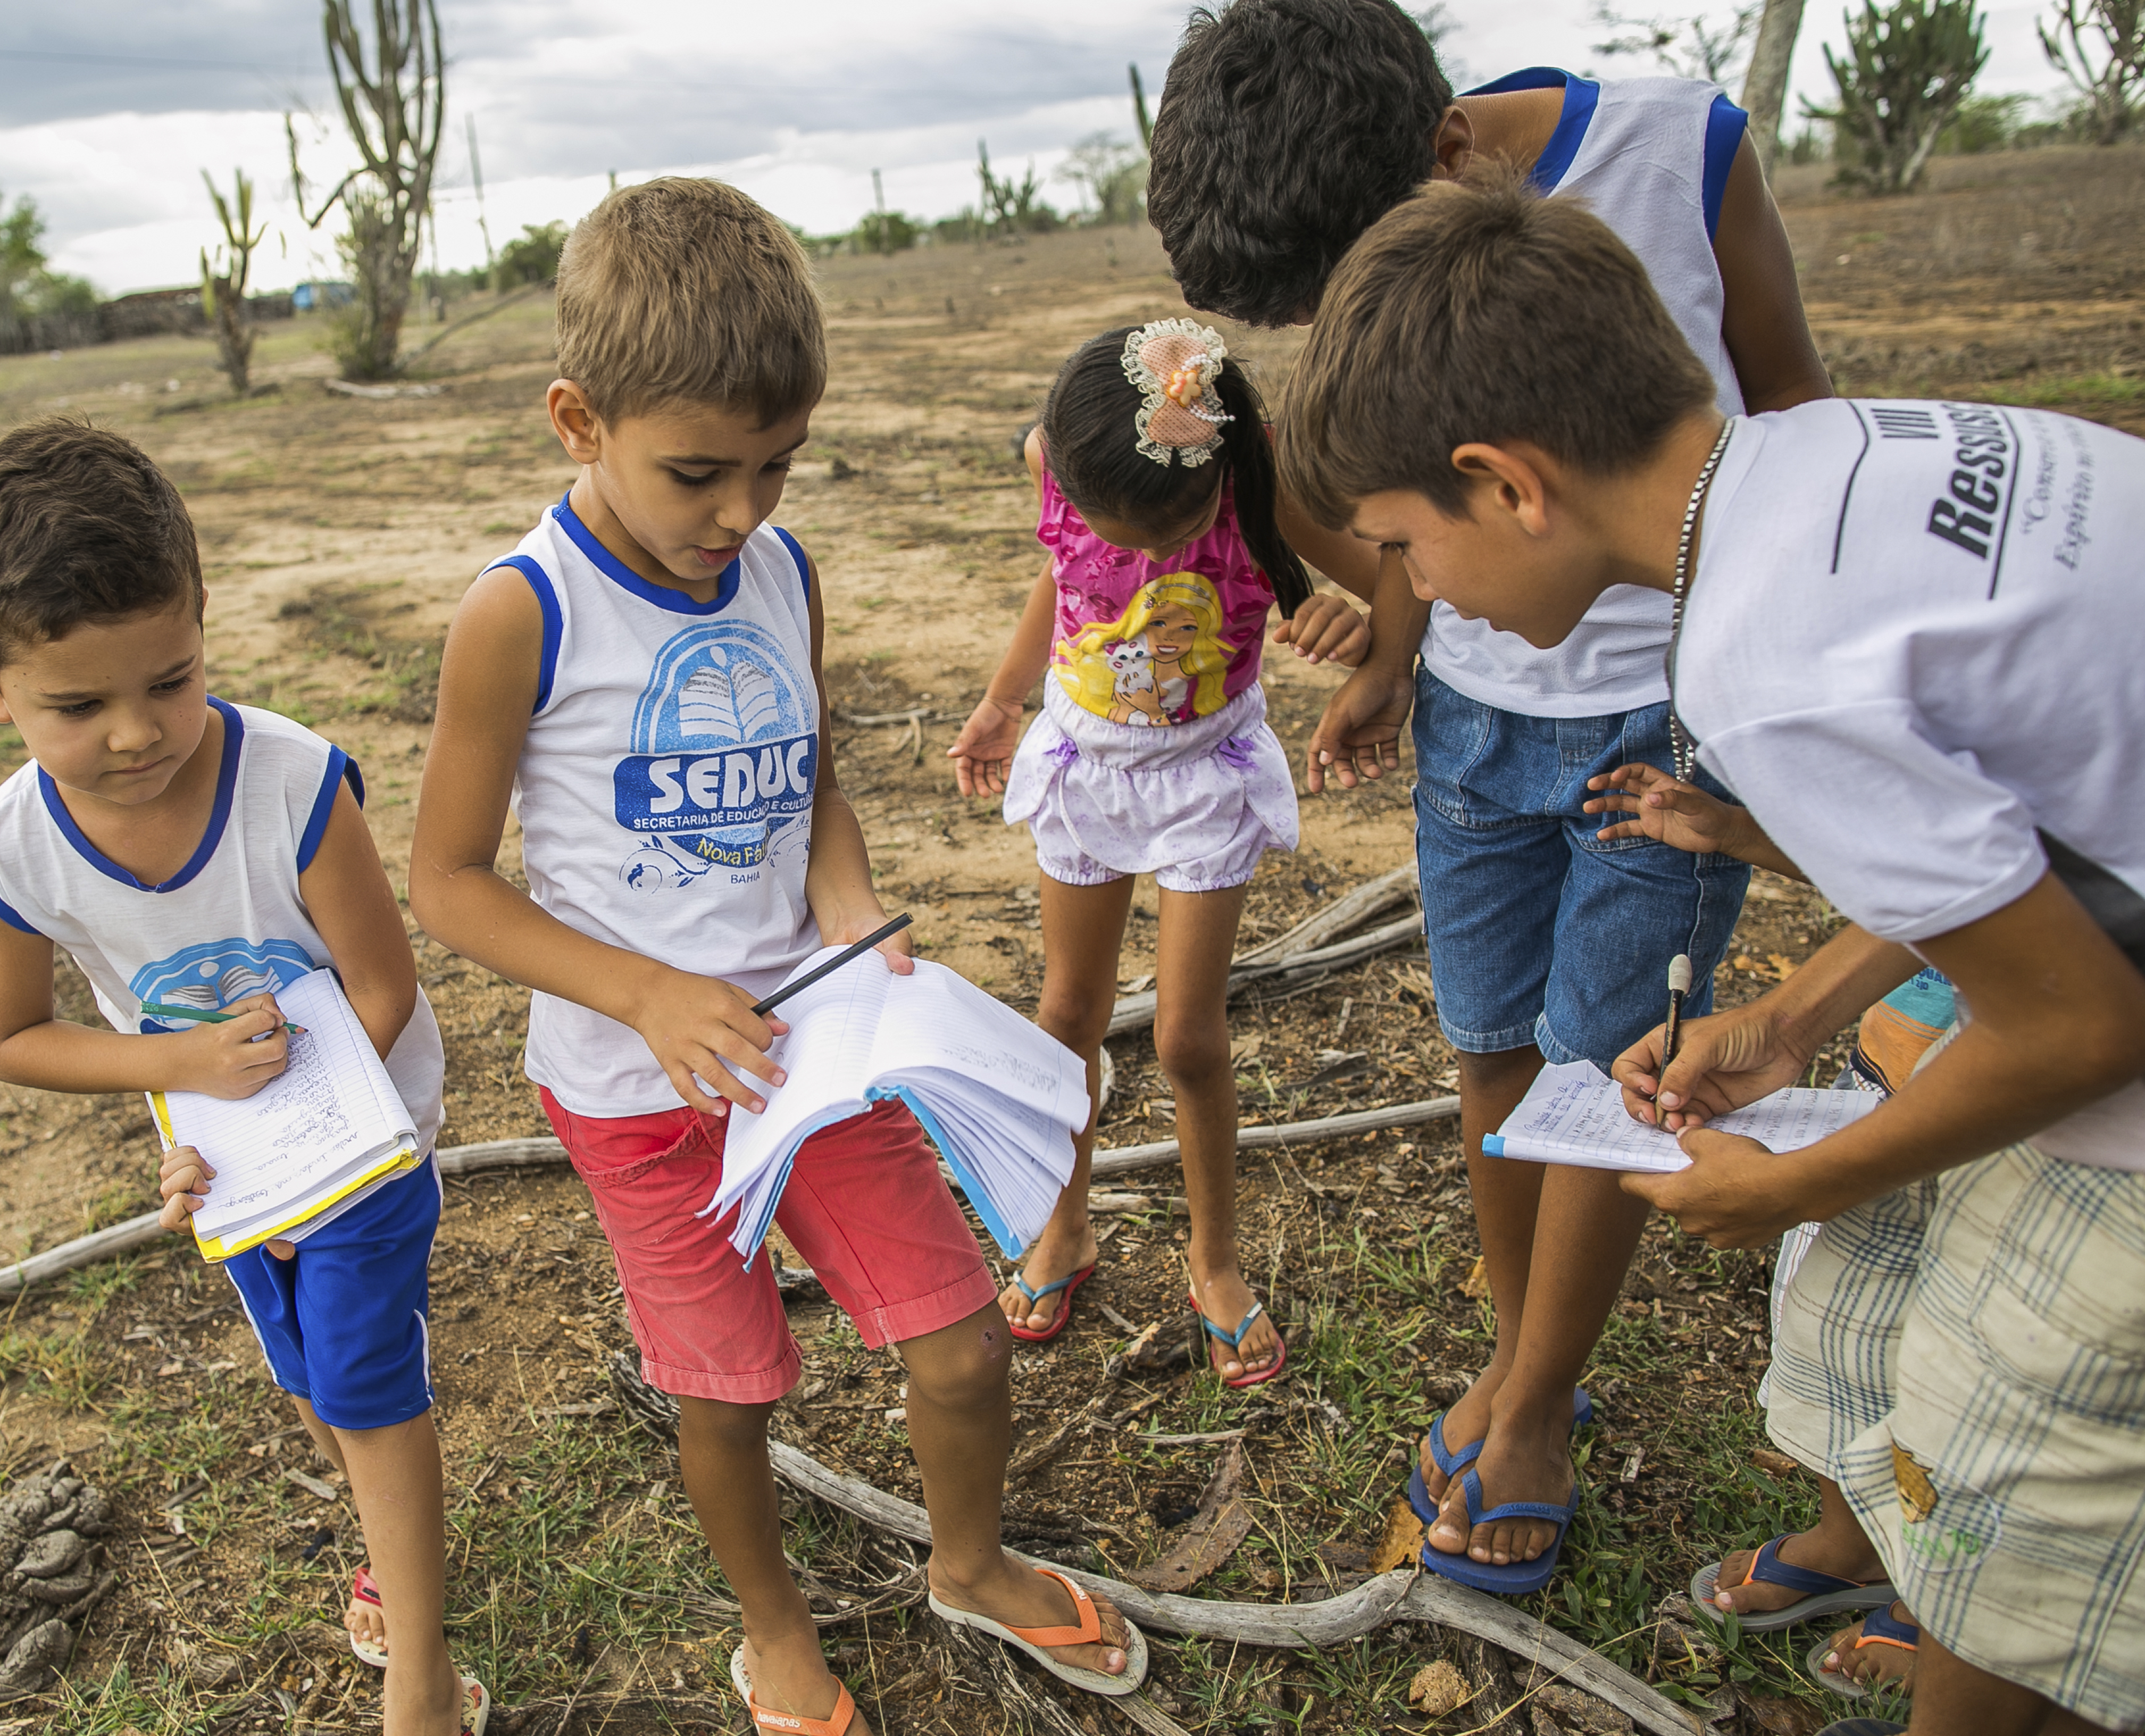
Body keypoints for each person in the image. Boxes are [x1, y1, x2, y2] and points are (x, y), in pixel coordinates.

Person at [1278, 168, 2145, 1736]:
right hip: (2105, 929)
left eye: (1408, 543)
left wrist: (1800, 1180)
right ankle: (1888, 1552)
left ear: (1506, 484)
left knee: (2020, 1470)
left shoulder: (1760, 658)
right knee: (1896, 1311)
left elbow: (2086, 1028)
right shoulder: (1829, 455)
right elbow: (2024, 814)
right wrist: (1804, 1011)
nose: (1429, 589)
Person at [406, 178, 1147, 1736]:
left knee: (954, 1340)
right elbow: (451, 886)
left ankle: (969, 1558)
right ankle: (773, 1624)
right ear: (575, 419)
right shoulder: (520, 614)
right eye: (698, 473)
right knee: (725, 1386)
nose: (741, 511)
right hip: (635, 1090)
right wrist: (645, 994)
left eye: (776, 465)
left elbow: (808, 774)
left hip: (814, 1059)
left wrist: (850, 904)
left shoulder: (782, 571)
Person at [1141, 0, 1838, 1592]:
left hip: (1663, 723)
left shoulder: (1683, 156)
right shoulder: (1369, 223)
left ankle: (1530, 1410)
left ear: (1450, 154)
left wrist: (1758, 697)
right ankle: (1528, 1338)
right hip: (1475, 716)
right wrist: (1394, 658)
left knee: (1609, 1056)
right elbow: (1401, 523)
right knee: (1494, 1043)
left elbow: (1790, 406)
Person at [0, 420, 482, 1736]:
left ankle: (418, 1669)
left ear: (201, 626)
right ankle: (379, 1534)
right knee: (304, 1382)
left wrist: (288, 1114)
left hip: (360, 1140)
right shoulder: (15, 847)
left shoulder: (289, 783)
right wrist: (179, 1081)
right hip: (224, 1167)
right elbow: (11, 1038)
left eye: (170, 682)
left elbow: (381, 984)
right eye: (78, 706)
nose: (137, 734)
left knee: (359, 1380)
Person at [944, 319, 1365, 1383]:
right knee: (1064, 1017)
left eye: (1156, 539)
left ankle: (1212, 1260)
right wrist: (1001, 701)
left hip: (1202, 781)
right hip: (1084, 771)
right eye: (1111, 531)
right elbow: (1057, 581)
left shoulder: (1261, 490)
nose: (1133, 558)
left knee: (1186, 1038)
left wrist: (1352, 629)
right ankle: (1064, 1226)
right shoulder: (1057, 464)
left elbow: (1376, 585)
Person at [1585, 764, 1944, 1702]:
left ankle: (1937, 1600)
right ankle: (1855, 1540)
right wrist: (1786, 1023)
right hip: (1899, 1061)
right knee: (1839, 1330)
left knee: (1949, 1376)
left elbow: (2070, 1021)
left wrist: (1797, 1182)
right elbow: (1953, 875)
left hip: (2014, 1120)